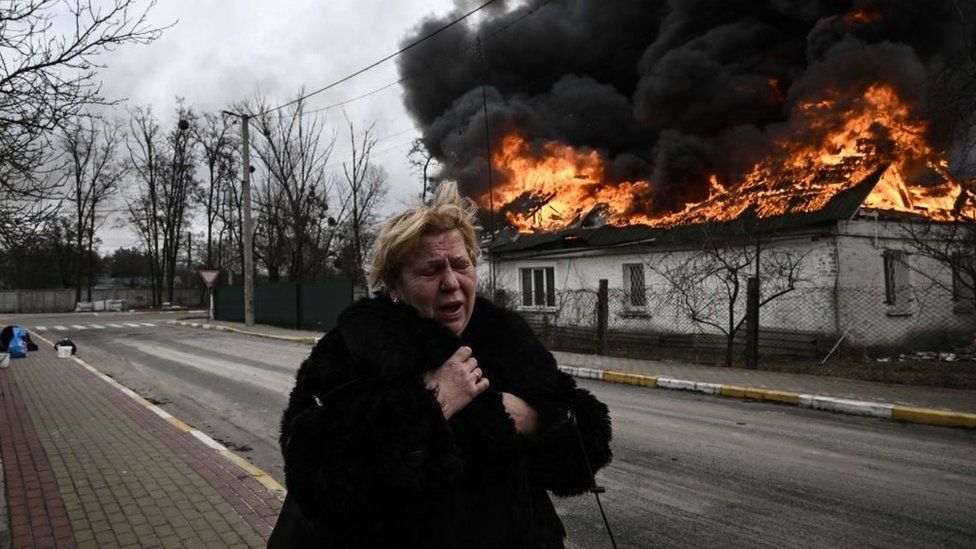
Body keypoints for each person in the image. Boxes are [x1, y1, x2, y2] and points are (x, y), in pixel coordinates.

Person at [272, 182, 612, 548]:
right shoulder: (356, 347)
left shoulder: (506, 338)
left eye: (461, 265)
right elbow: (314, 476)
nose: (451, 282)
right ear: (394, 285)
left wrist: (535, 418)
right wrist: (433, 403)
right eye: (430, 270)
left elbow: (586, 441)